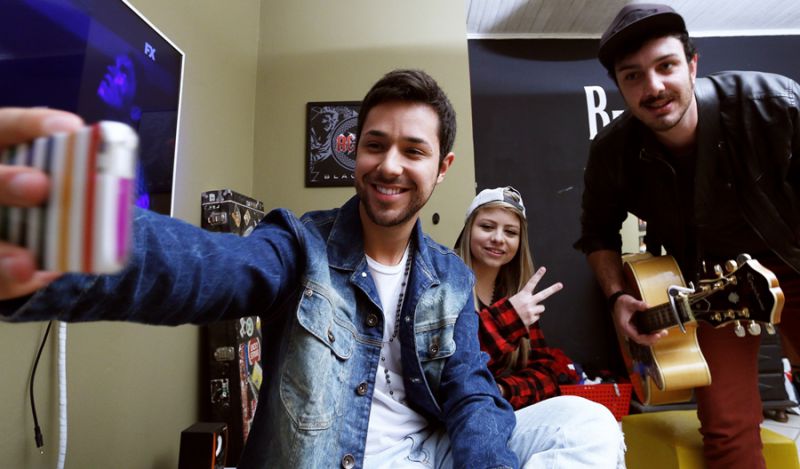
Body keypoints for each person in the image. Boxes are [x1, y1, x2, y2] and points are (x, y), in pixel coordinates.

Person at [0, 70, 625, 468]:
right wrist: (68, 242)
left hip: (431, 453)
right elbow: (209, 267)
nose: (390, 165)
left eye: (413, 150)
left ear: (442, 168)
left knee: (588, 422)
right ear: (355, 153)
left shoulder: (451, 277)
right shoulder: (298, 244)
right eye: (376, 144)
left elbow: (469, 391)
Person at [575, 4, 800, 469]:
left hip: (796, 266)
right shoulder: (612, 152)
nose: (653, 87)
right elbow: (597, 233)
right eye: (633, 76)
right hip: (713, 290)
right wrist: (617, 296)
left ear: (693, 65)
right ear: (620, 86)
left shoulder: (775, 105)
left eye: (666, 66)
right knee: (726, 427)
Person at [455, 186, 579, 409]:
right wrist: (509, 318)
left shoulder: (518, 294)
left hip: (501, 410)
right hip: (454, 416)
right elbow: (451, 363)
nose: (498, 238)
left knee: (591, 413)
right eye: (487, 227)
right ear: (468, 229)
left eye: (510, 232)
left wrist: (502, 390)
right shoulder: (444, 283)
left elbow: (547, 374)